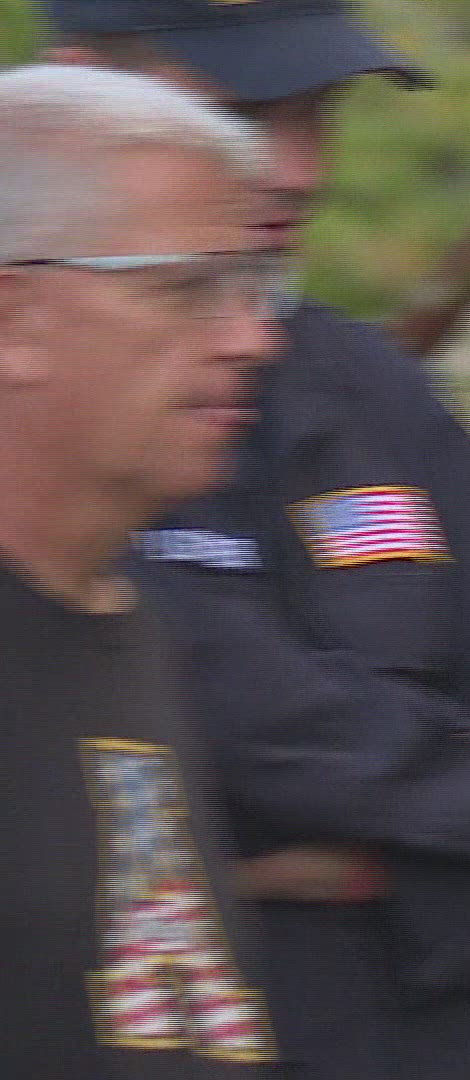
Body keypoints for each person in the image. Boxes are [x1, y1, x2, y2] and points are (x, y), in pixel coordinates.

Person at [34, 1, 470, 1077]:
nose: (297, 171)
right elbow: (172, 696)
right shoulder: (46, 405)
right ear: (80, 90)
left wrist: (364, 858)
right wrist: (453, 797)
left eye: (317, 116)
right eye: (243, 115)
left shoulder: (366, 387)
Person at [0, 62, 282, 1075]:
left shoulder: (130, 630)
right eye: (189, 288)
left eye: (254, 287)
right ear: (14, 320)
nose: (253, 339)